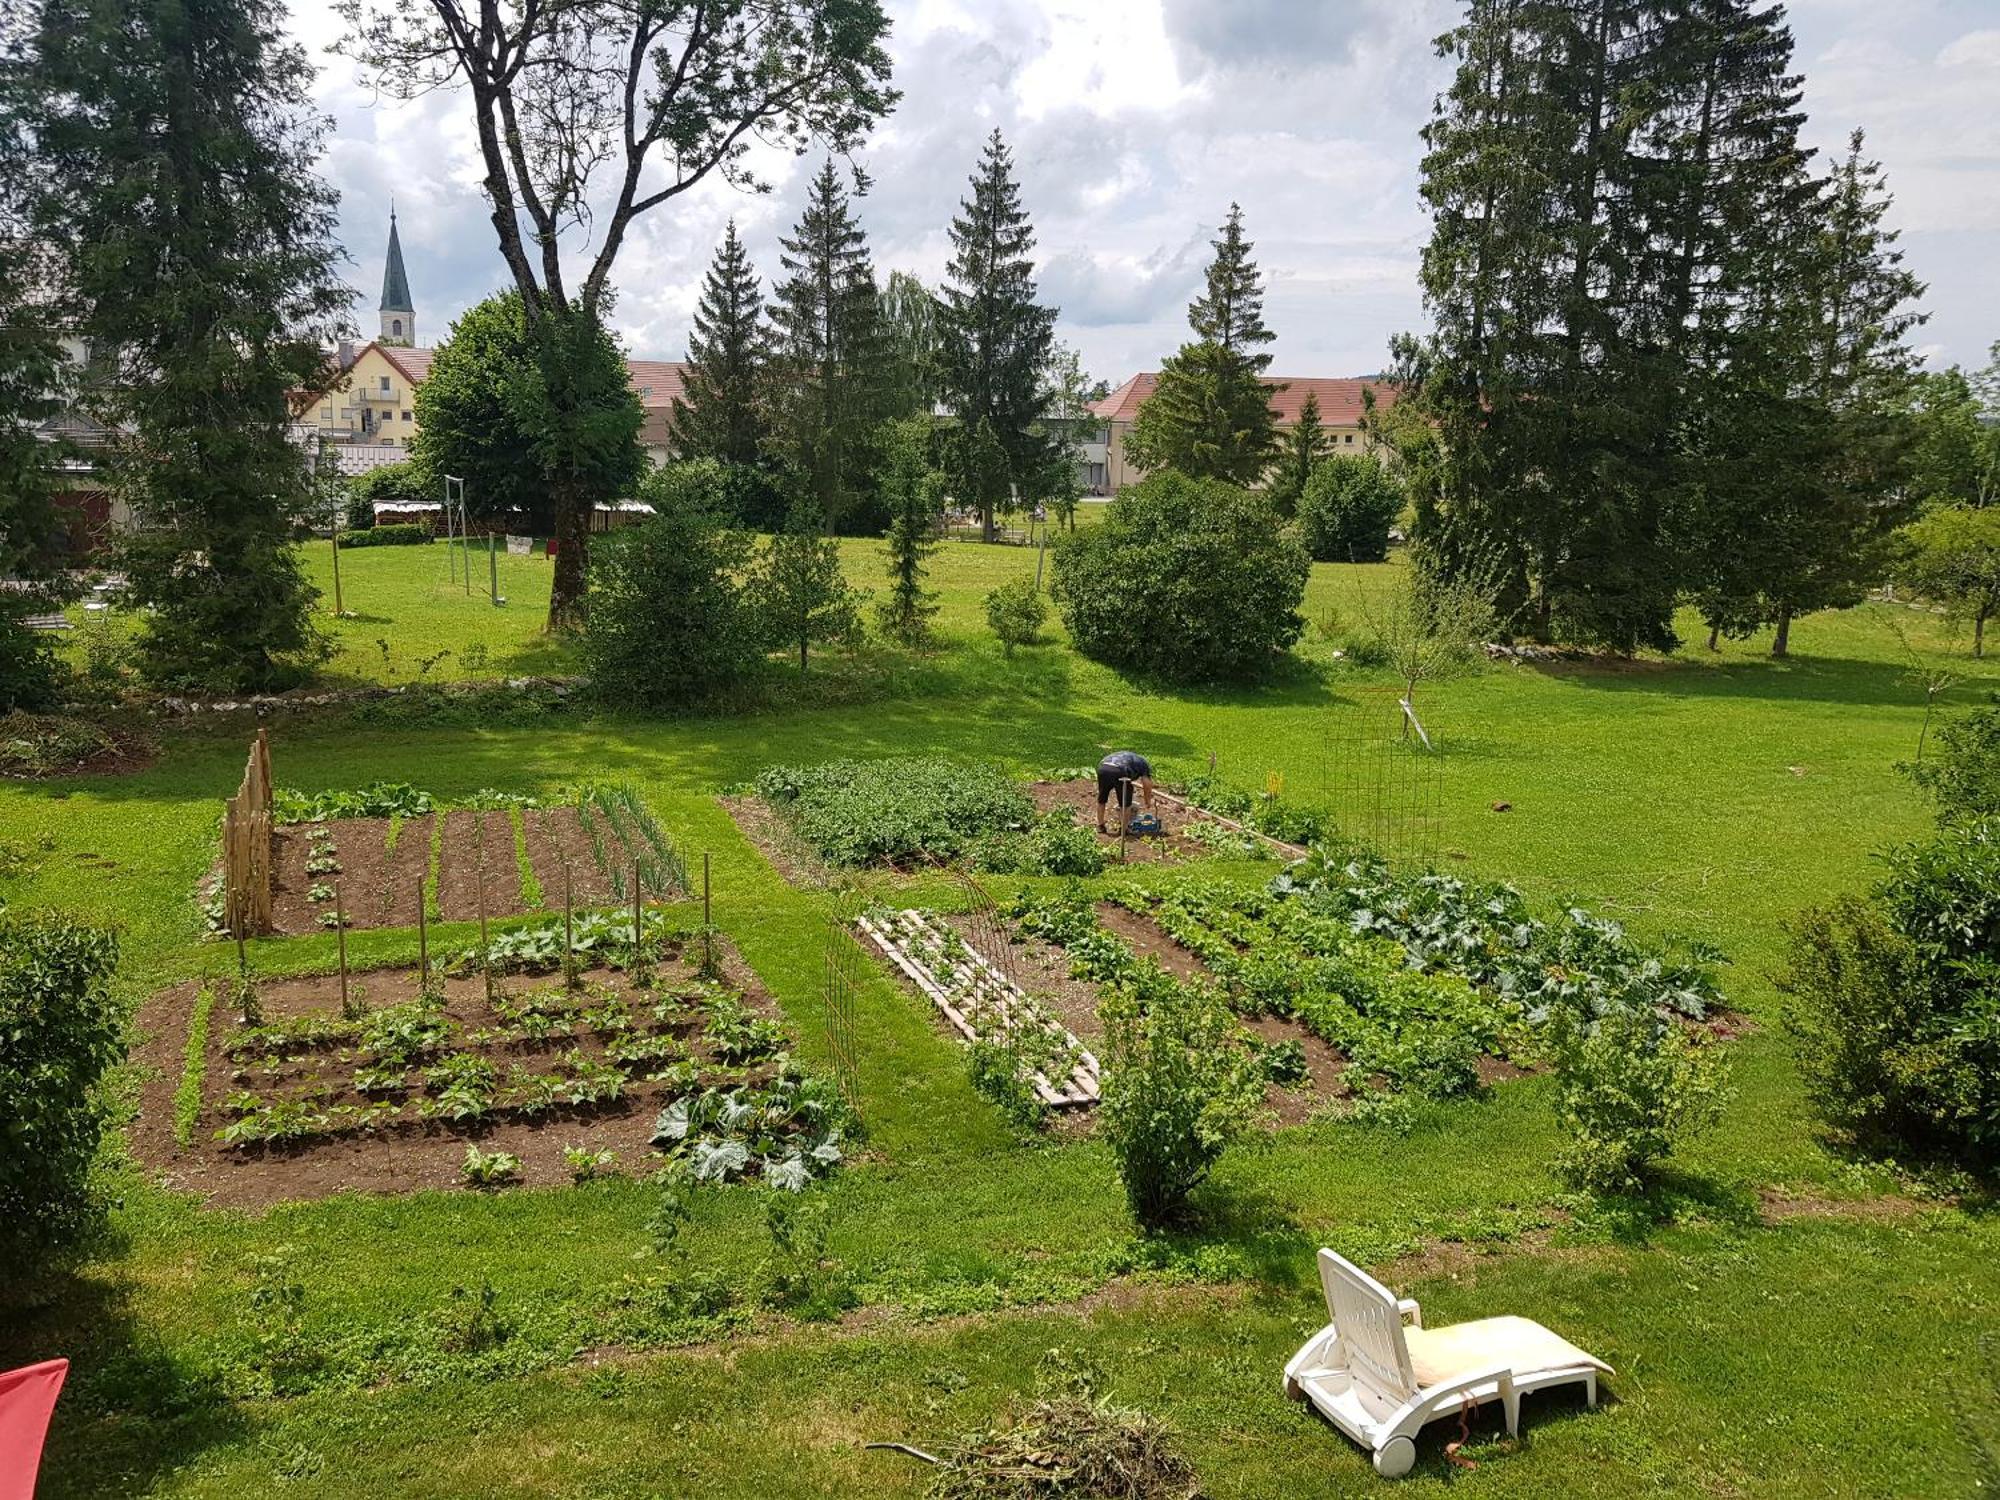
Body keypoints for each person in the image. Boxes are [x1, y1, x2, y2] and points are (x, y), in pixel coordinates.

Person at [1096, 749, 1155, 834]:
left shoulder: (1129, 757)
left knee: (1102, 798)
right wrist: (1147, 801)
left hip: (1103, 768)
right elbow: (1147, 784)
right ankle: (1124, 830)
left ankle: (1100, 826)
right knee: (1125, 802)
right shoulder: (1144, 765)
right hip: (1119, 770)